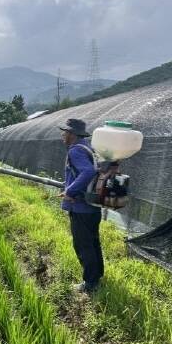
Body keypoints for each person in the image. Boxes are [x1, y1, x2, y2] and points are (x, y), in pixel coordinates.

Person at [58, 118, 104, 293]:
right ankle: (97, 275)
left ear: (71, 134)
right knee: (93, 242)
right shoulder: (89, 148)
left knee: (82, 244)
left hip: (80, 206)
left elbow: (87, 172)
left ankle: (90, 284)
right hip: (92, 205)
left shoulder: (75, 150)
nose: (63, 135)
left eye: (65, 132)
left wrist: (69, 191)